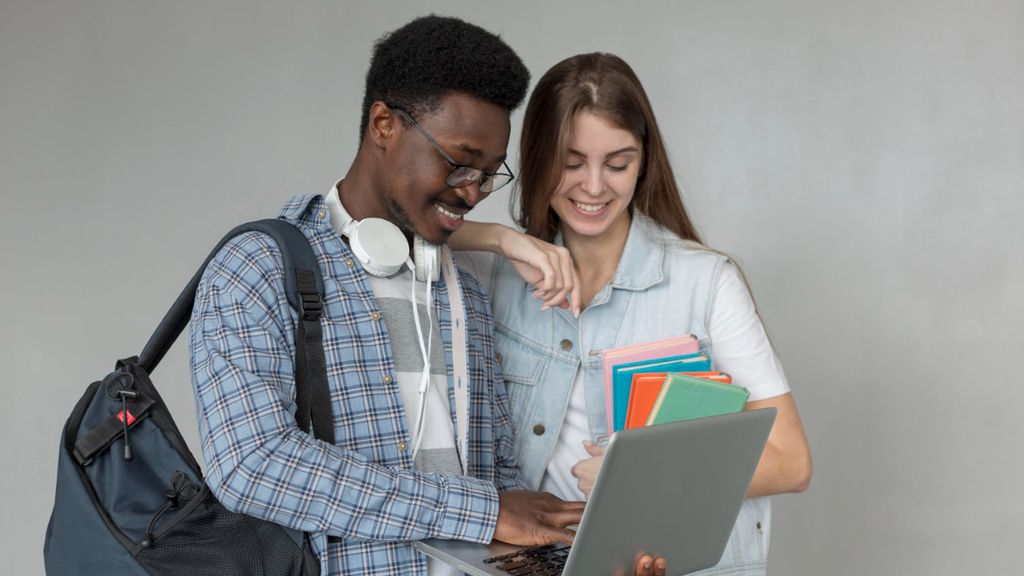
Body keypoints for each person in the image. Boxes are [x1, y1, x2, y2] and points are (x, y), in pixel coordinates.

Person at [187, 16, 594, 576]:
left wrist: (580, 556)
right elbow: (252, 466)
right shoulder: (255, 269)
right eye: (457, 163)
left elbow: (501, 478)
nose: (473, 192)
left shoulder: (463, 290)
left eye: (488, 173)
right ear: (383, 124)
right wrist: (480, 511)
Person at [451, 52, 813, 575]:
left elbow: (791, 460)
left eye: (617, 163)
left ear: (644, 161)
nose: (594, 187)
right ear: (536, 158)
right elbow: (391, 227)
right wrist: (501, 239)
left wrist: (644, 478)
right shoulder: (492, 273)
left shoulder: (706, 283)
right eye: (571, 163)